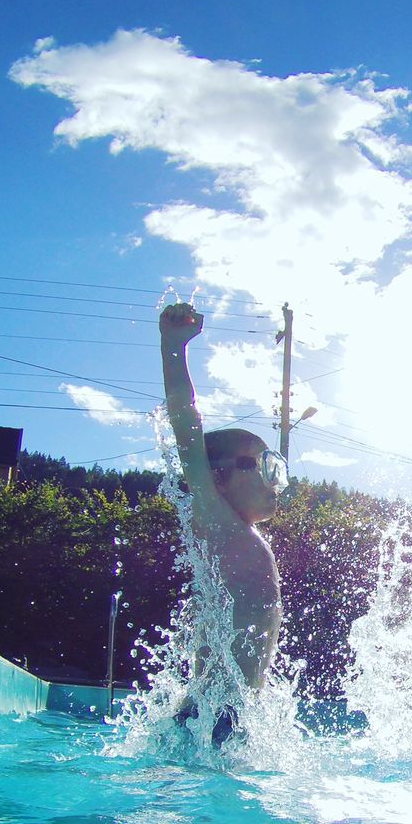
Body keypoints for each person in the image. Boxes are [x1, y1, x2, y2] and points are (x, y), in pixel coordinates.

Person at [159, 302, 287, 737]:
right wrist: (174, 349)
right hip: (212, 710)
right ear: (218, 479)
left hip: (233, 711)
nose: (275, 480)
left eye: (277, 467)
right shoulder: (217, 523)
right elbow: (186, 428)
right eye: (262, 466)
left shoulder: (243, 534)